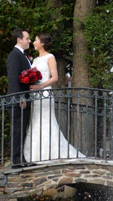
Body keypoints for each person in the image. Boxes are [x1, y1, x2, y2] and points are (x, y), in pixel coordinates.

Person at [23, 33, 85, 163]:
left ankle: (49, 152)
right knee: (35, 121)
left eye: (35, 40)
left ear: (42, 43)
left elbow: (54, 77)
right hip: (36, 94)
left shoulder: (50, 57)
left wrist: (41, 87)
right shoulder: (34, 60)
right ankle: (36, 153)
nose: (33, 43)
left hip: (45, 93)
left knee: (46, 121)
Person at [6, 28, 32, 167]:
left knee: (22, 129)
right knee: (17, 130)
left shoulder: (24, 55)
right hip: (17, 100)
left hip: (24, 99)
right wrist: (20, 97)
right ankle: (16, 160)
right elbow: (13, 78)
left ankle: (21, 157)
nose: (29, 41)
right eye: (27, 38)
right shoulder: (15, 55)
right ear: (19, 40)